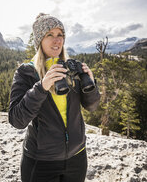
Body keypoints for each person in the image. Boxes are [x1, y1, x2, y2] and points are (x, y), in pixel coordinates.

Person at [9, 13, 100, 182]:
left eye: (60, 35)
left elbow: (92, 106)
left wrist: (91, 85)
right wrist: (41, 87)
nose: (57, 40)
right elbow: (16, 120)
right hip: (41, 161)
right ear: (39, 40)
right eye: (49, 35)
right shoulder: (26, 72)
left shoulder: (70, 68)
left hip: (77, 157)